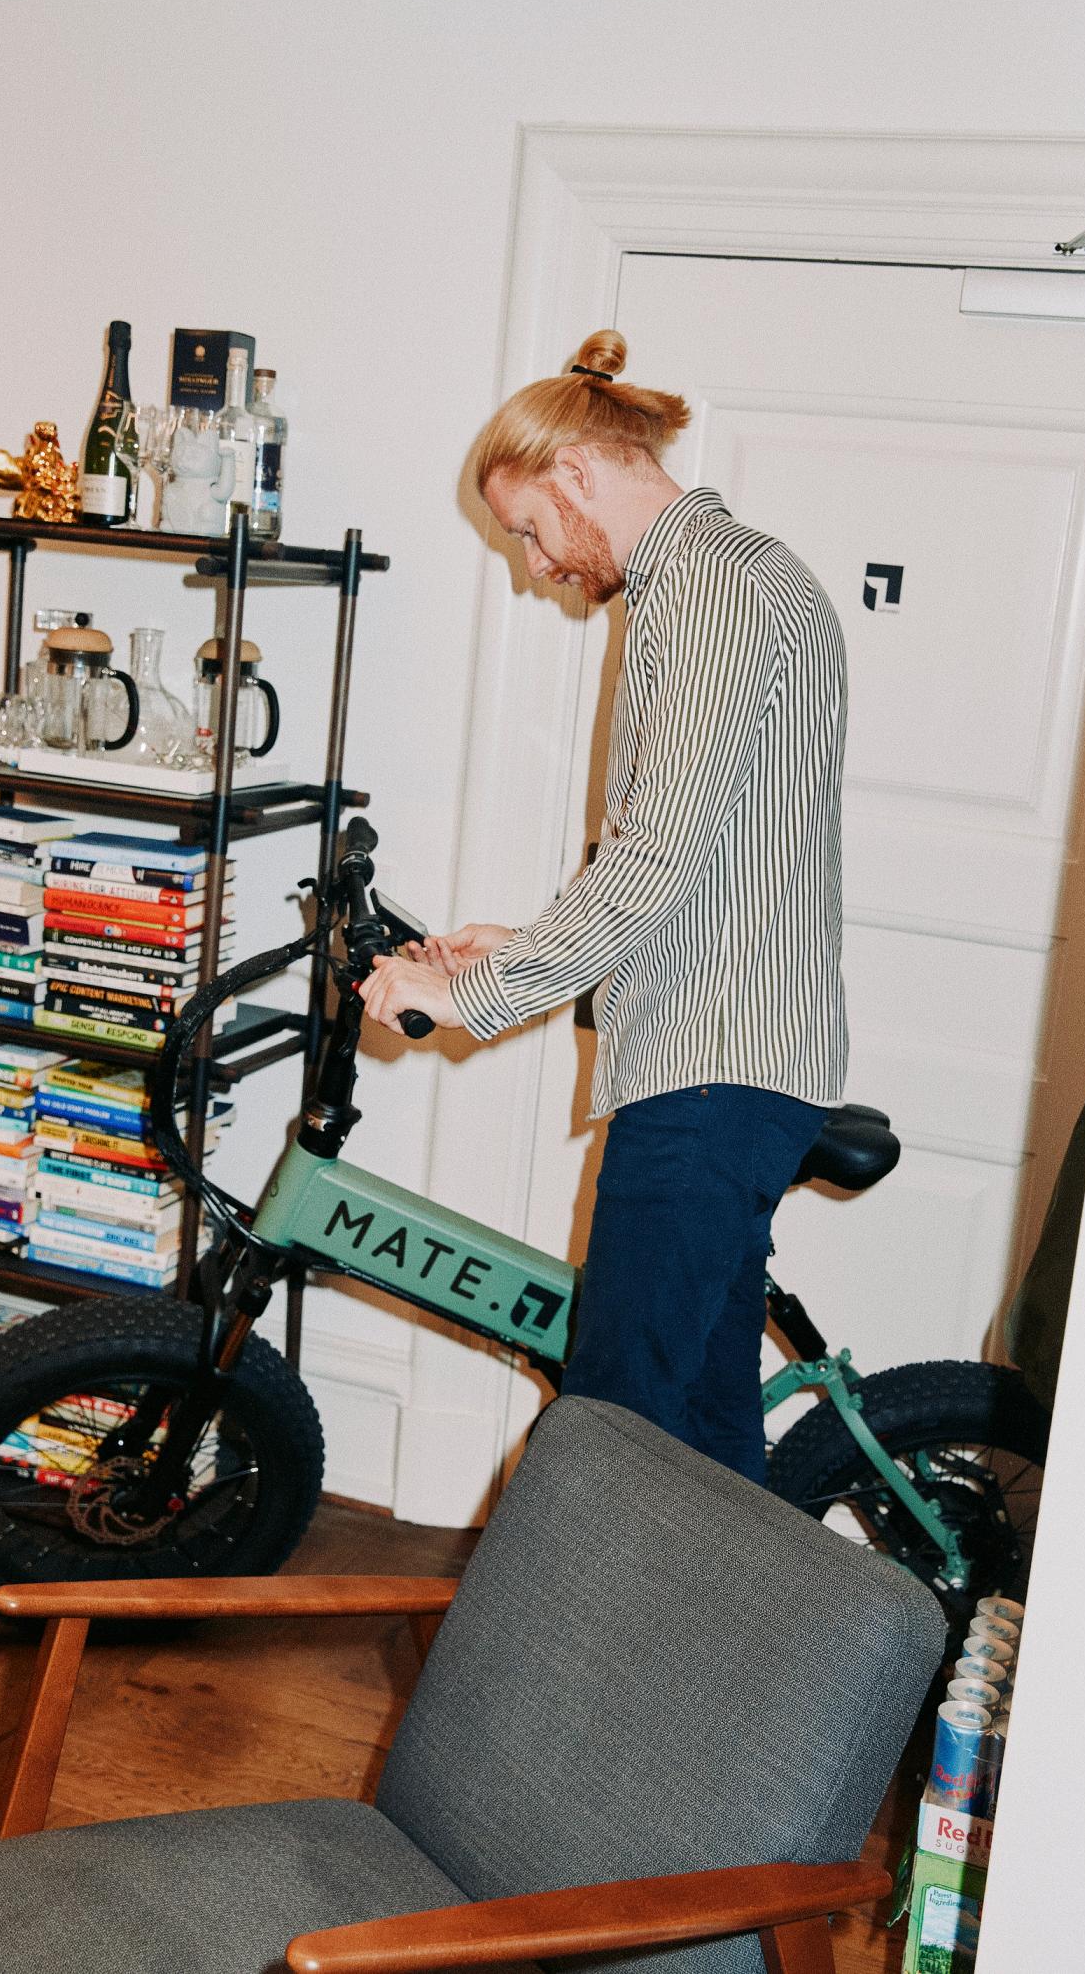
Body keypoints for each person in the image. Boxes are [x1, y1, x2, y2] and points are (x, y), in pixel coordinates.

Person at [360, 329, 848, 1482]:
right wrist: (524, 941)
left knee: (604, 1434)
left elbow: (658, 853)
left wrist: (478, 993)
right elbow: (701, 856)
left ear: (575, 471)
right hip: (721, 1058)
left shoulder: (714, 588)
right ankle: (723, 1609)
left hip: (710, 1072)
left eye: (528, 529)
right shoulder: (712, 581)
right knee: (696, 1441)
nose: (534, 567)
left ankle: (570, 1615)